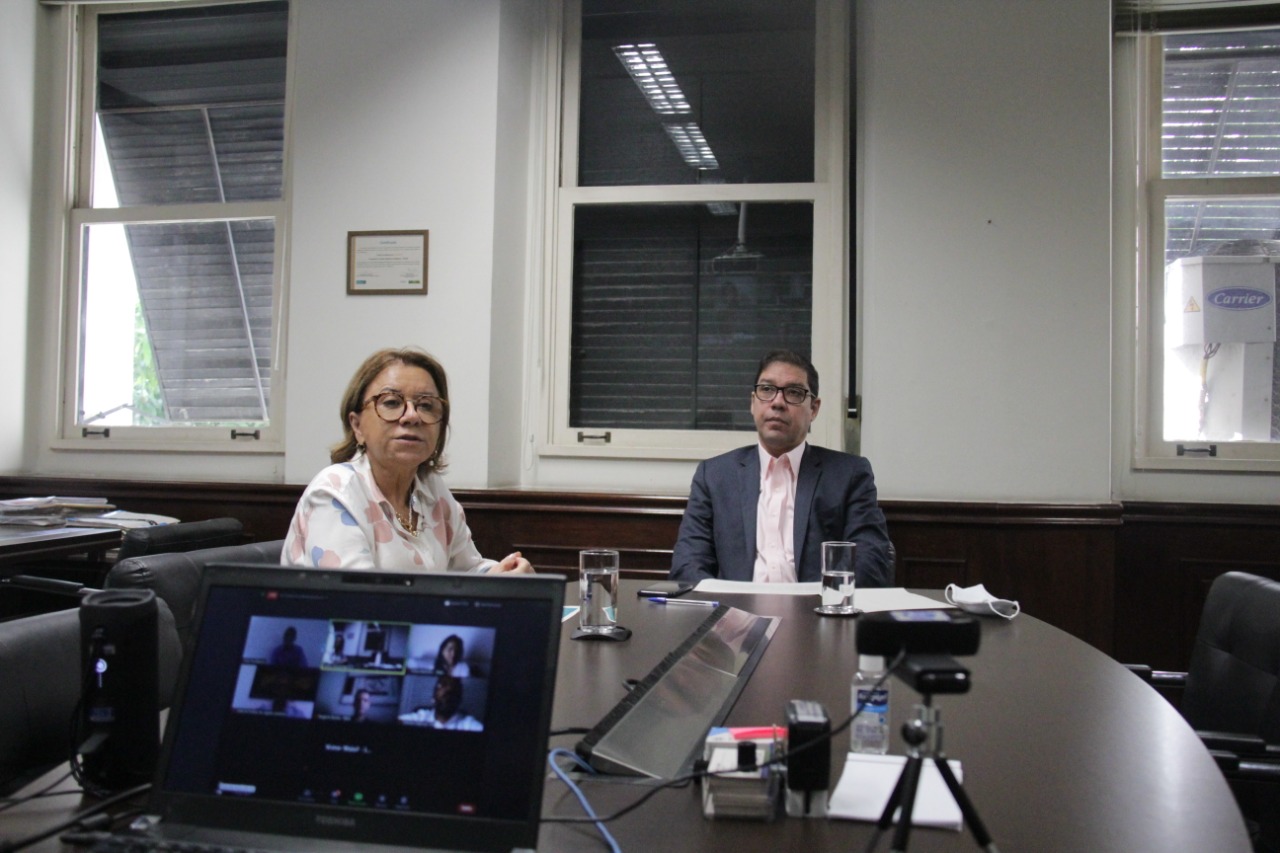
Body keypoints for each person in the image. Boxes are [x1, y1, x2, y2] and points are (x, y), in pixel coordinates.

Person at [282, 347, 534, 573]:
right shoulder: (335, 493)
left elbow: (467, 569)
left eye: (426, 406)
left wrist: (505, 576)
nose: (412, 416)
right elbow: (356, 600)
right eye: (391, 402)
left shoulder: (431, 490)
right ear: (357, 426)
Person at [670, 350, 893, 587]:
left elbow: (870, 561)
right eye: (767, 389)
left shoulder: (849, 474)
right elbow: (687, 564)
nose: (777, 402)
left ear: (814, 409)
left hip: (819, 608)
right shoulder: (714, 476)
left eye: (794, 392)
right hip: (733, 607)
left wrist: (827, 603)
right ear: (753, 402)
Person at [398, 674, 483, 731]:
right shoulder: (421, 718)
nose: (448, 689)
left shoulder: (468, 724)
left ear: (459, 700)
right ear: (433, 697)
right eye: (443, 685)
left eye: (451, 694)